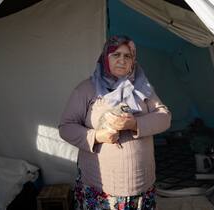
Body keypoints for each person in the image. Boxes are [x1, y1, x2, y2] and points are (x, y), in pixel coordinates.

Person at [59, 35, 171, 210]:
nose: (122, 60)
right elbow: (66, 127)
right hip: (101, 186)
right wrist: (96, 136)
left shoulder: (143, 88)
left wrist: (134, 124)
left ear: (133, 60)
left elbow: (164, 117)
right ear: (106, 57)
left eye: (127, 56)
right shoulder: (87, 89)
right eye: (116, 55)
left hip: (141, 182)